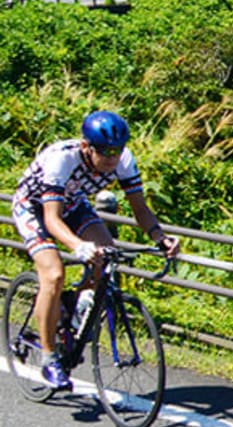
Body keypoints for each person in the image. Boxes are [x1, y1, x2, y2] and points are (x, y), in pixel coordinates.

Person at [10, 110, 180, 389]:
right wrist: (78, 246)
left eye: (117, 150)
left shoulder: (123, 160)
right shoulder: (62, 159)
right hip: (34, 208)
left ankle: (74, 306)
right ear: (86, 147)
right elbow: (52, 219)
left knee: (107, 254)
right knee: (53, 274)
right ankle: (49, 359)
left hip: (74, 204)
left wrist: (161, 238)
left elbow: (140, 209)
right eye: (105, 151)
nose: (112, 158)